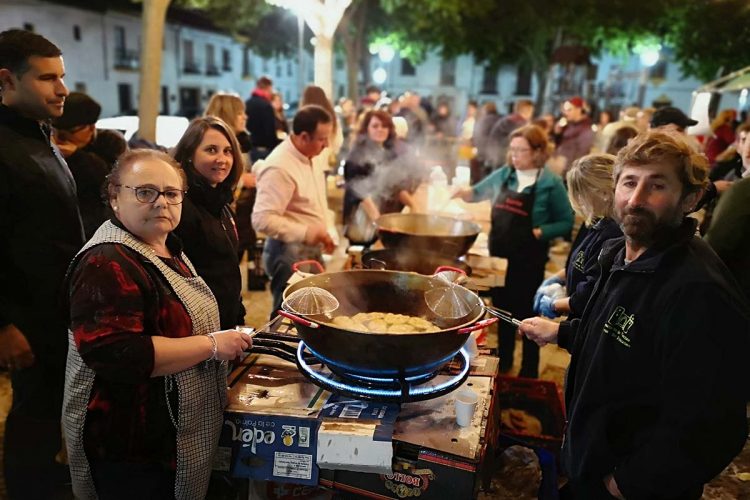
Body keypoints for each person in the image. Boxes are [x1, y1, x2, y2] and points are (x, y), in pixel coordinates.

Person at [520, 130, 750, 499]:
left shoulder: (698, 292)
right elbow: (616, 339)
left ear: (689, 199)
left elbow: (714, 428)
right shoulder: (618, 256)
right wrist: (559, 333)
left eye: (656, 186)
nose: (636, 199)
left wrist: (625, 484)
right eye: (629, 182)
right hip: (592, 461)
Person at [63, 149, 253, 499]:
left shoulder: (165, 246)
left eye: (171, 193)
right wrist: (213, 346)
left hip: (172, 436)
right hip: (132, 447)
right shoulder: (107, 261)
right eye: (145, 191)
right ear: (115, 197)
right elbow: (119, 353)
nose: (160, 202)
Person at [0, 29, 85, 499]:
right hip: (26, 323)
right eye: (48, 78)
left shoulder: (37, 136)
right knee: (31, 422)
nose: (62, 89)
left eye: (63, 76)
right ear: (7, 81)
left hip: (58, 317)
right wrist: (3, 325)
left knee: (50, 416)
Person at [454, 124, 573, 377]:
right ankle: (505, 364)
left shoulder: (551, 183)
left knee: (529, 317)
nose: (515, 155)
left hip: (529, 261)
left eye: (522, 150)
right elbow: (477, 192)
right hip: (500, 260)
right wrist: (460, 192)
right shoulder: (505, 175)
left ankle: (529, 372)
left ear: (538, 152)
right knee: (503, 313)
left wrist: (541, 232)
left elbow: (567, 221)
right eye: (513, 150)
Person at [252, 105, 336, 315]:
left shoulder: (310, 155)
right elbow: (262, 219)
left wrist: (326, 231)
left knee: (310, 315)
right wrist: (307, 232)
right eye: (322, 139)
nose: (326, 145)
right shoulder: (280, 166)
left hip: (307, 248)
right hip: (287, 252)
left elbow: (314, 202)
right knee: (288, 319)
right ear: (304, 137)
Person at [172, 117, 246, 329]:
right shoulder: (180, 206)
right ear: (188, 155)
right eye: (211, 150)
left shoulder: (221, 203)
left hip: (226, 323)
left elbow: (227, 268)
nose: (222, 159)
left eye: (227, 151)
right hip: (200, 330)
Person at [534, 154, 621, 319]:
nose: (579, 200)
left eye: (581, 193)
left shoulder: (615, 235)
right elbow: (579, 260)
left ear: (603, 192)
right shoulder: (594, 220)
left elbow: (592, 293)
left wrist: (556, 304)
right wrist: (559, 277)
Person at [343, 110, 416, 240]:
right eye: (375, 126)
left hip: (381, 216)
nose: (380, 130)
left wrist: (414, 207)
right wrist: (380, 222)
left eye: (384, 126)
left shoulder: (389, 153)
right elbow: (362, 195)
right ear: (367, 129)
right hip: (362, 219)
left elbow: (396, 186)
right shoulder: (357, 156)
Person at [204, 93, 258, 265]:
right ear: (228, 114)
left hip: (240, 218)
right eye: (240, 113)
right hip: (225, 220)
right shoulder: (211, 144)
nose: (246, 117)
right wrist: (242, 180)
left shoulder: (241, 142)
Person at [52, 92, 113, 238]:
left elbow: (110, 179)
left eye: (70, 132)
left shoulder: (109, 142)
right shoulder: (50, 147)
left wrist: (76, 156)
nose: (62, 138)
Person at [487, 99, 534, 168]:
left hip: (496, 156)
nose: (531, 114)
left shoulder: (508, 119)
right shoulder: (518, 122)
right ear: (526, 110)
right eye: (531, 111)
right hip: (504, 158)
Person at [554, 96, 595, 174]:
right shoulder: (568, 125)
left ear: (578, 110)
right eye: (565, 110)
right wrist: (557, 133)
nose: (566, 113)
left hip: (573, 171)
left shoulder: (586, 128)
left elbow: (583, 152)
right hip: (563, 169)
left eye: (569, 110)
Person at [245, 75, 280, 162]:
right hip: (264, 151)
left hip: (250, 150)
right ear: (268, 88)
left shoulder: (247, 103)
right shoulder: (266, 106)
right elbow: (270, 132)